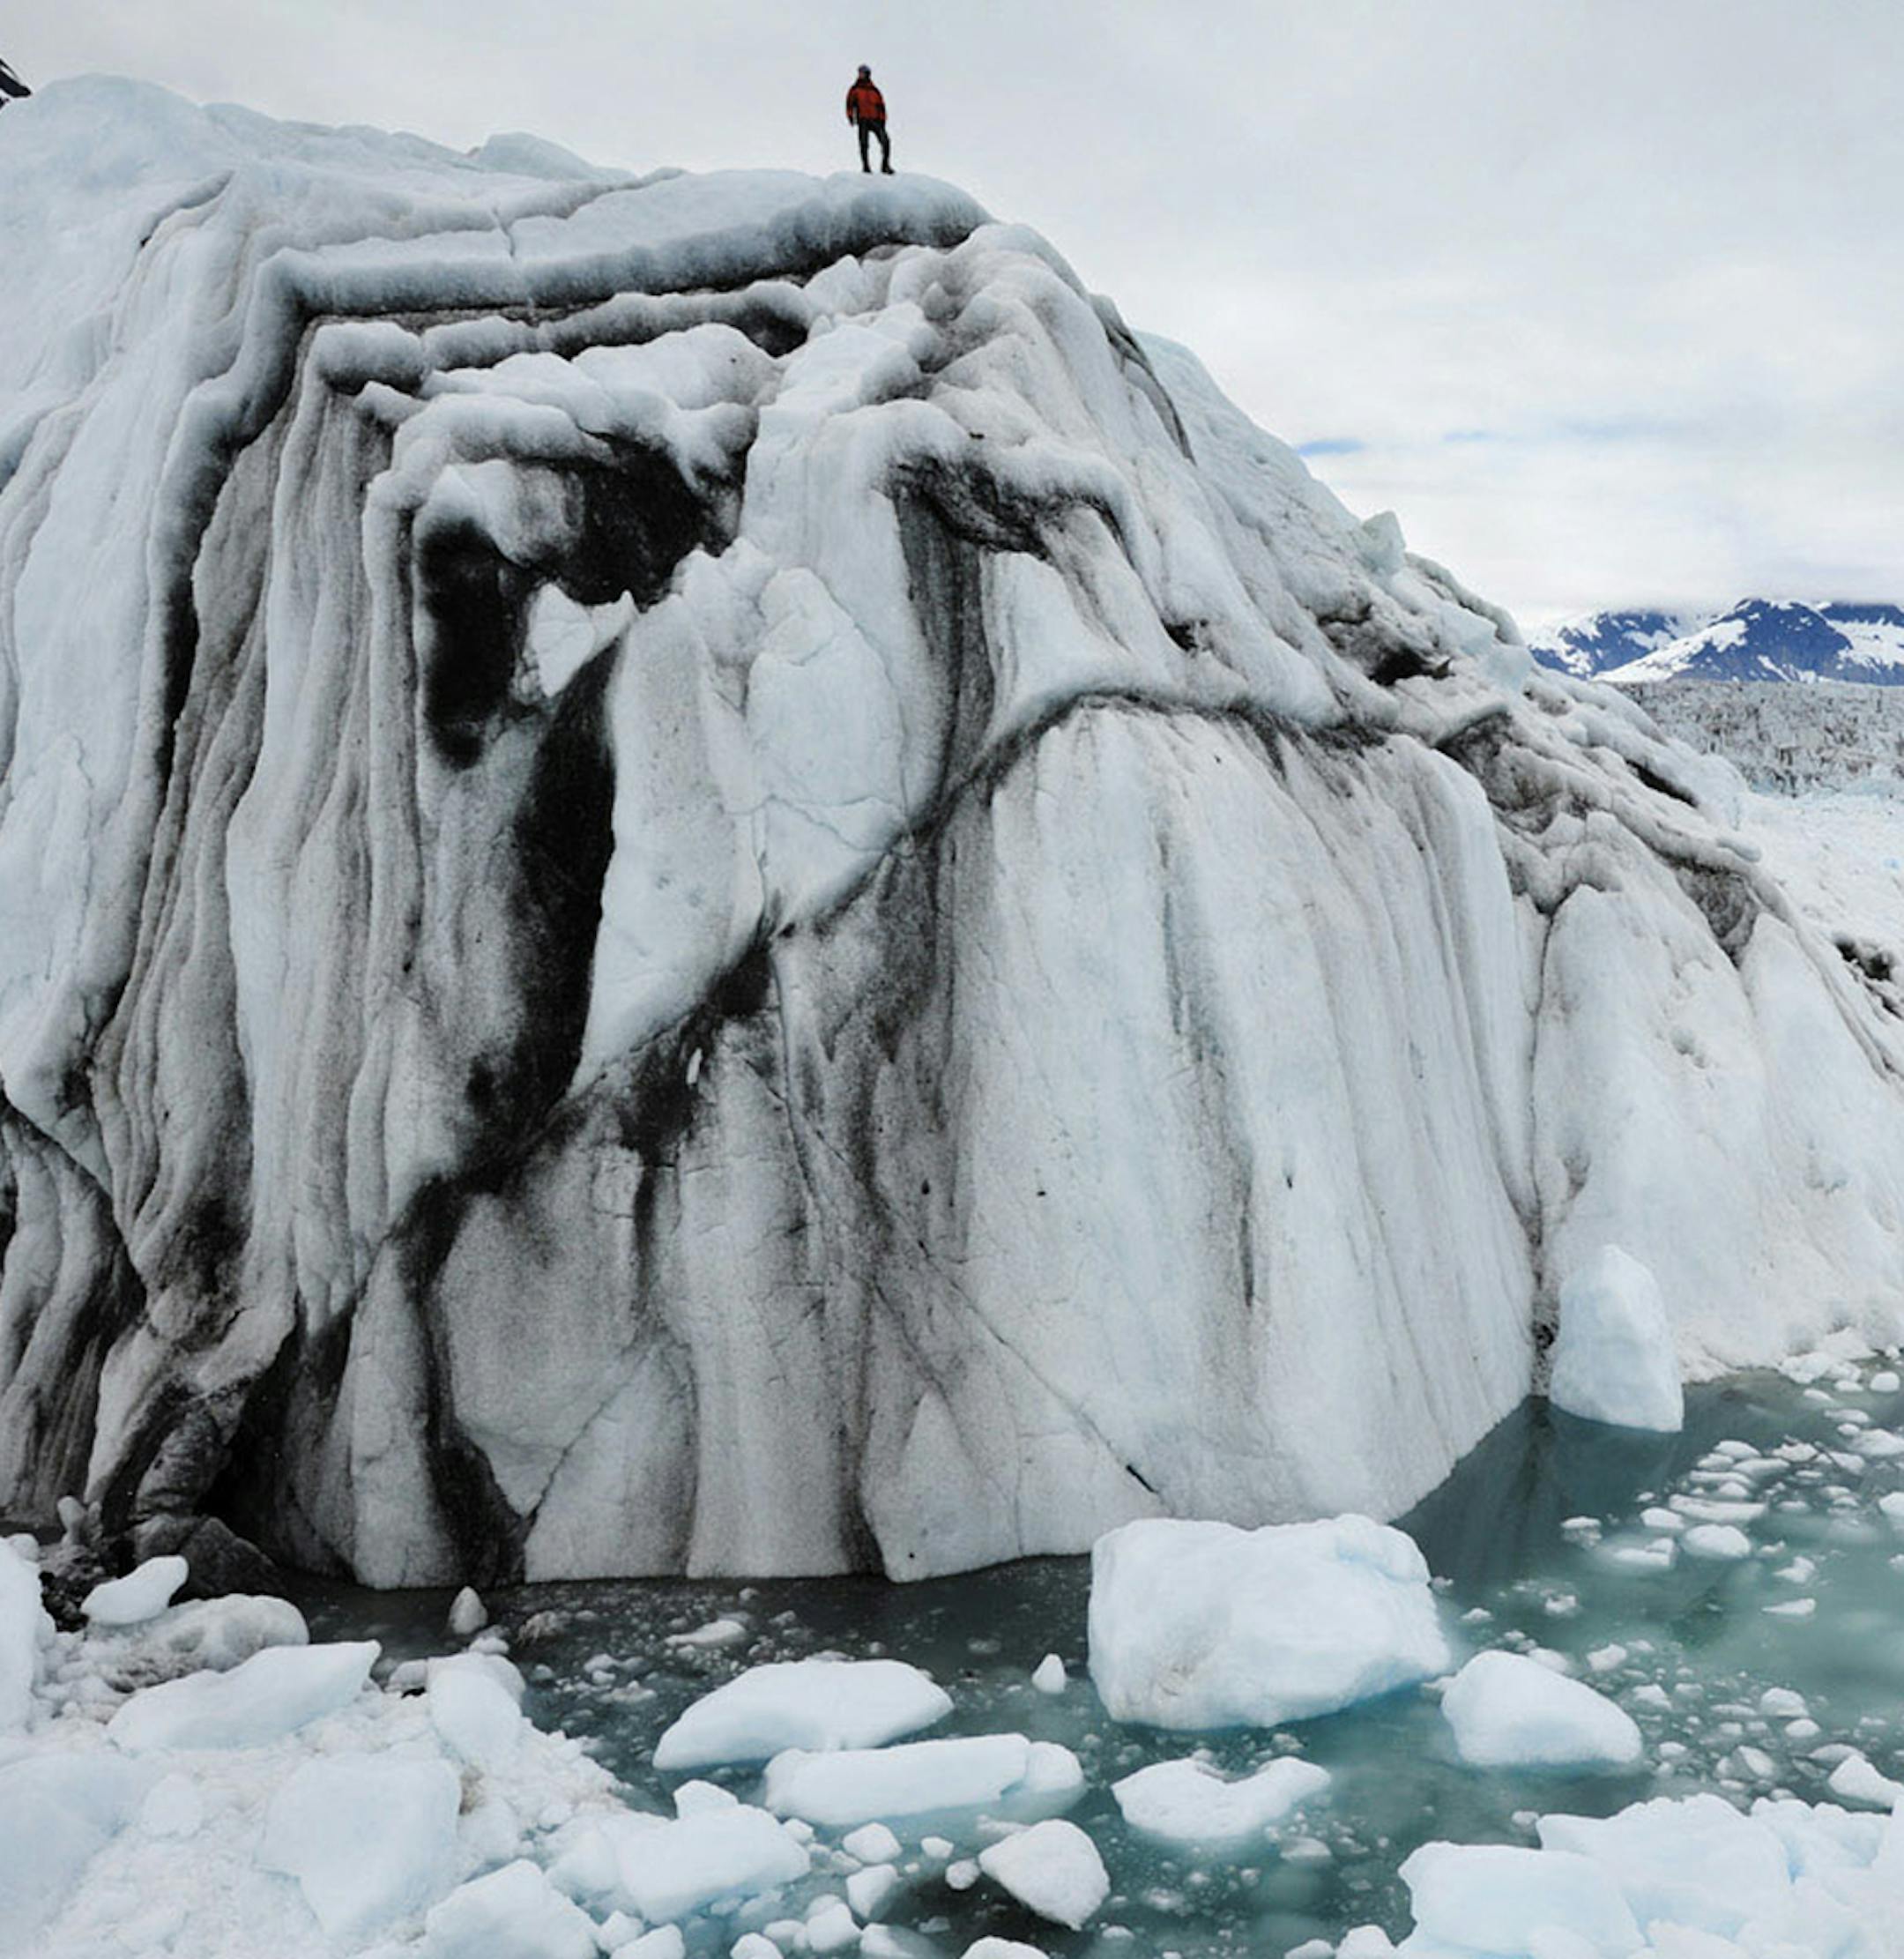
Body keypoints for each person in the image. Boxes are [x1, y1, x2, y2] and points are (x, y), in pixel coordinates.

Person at [844, 65, 891, 175]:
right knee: (864, 144)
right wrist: (851, 117)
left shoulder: (875, 91)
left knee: (886, 141)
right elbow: (849, 104)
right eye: (859, 72)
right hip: (863, 119)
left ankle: (885, 166)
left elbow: (881, 106)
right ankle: (866, 167)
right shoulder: (855, 89)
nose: (860, 75)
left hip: (876, 120)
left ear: (868, 74)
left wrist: (883, 120)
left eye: (862, 73)